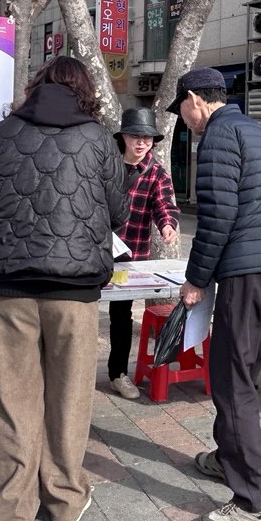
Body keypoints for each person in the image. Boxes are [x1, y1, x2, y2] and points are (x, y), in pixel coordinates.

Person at [0, 57, 128, 521]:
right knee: (71, 396)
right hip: (74, 293)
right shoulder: (100, 139)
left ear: (37, 86)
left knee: (14, 399)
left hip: (9, 289)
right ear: (84, 91)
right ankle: (63, 498)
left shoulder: (2, 133)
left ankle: (13, 512)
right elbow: (117, 213)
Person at [167, 67, 261, 521]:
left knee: (231, 382)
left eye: (180, 108)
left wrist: (196, 278)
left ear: (195, 98)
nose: (182, 119)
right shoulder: (258, 133)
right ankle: (227, 457)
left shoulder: (218, 137)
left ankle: (257, 499)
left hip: (243, 272)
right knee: (243, 375)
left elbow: (217, 217)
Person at [107, 107, 180, 399]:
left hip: (131, 253)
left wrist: (168, 224)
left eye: (147, 139)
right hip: (94, 249)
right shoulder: (106, 163)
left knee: (121, 314)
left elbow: (165, 204)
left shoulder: (155, 171)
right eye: (135, 136)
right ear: (123, 136)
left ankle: (118, 374)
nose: (141, 143)